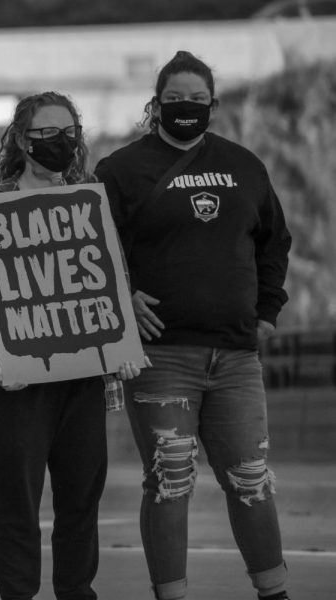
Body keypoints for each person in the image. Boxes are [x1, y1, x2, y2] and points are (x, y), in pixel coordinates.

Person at [94, 51, 292, 600]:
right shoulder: (120, 170)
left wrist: (267, 314)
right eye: (175, 100)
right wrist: (121, 296)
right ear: (156, 104)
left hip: (235, 359)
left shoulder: (246, 166)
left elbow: (275, 242)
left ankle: (274, 592)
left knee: (251, 480)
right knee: (170, 479)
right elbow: (89, 252)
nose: (186, 108)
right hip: (160, 359)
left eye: (197, 101)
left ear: (214, 105)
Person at [0, 91, 144, 600]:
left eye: (69, 133)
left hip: (83, 379)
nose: (60, 142)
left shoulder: (90, 199)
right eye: (47, 134)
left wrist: (121, 344)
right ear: (22, 139)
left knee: (81, 503)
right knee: (17, 507)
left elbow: (111, 281)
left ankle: (77, 592)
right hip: (17, 382)